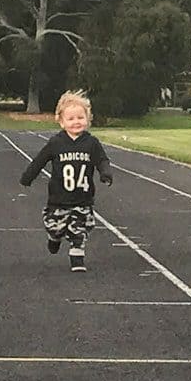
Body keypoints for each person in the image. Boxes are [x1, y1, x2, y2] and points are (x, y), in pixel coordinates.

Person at [19, 90, 113, 272]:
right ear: (61, 121)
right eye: (71, 119)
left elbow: (102, 160)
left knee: (79, 231)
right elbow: (40, 161)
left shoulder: (91, 143)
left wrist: (105, 173)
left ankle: (77, 259)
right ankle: (54, 238)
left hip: (83, 199)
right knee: (56, 229)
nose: (76, 122)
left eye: (80, 117)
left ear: (88, 119)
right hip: (58, 199)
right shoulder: (56, 143)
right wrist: (28, 177)